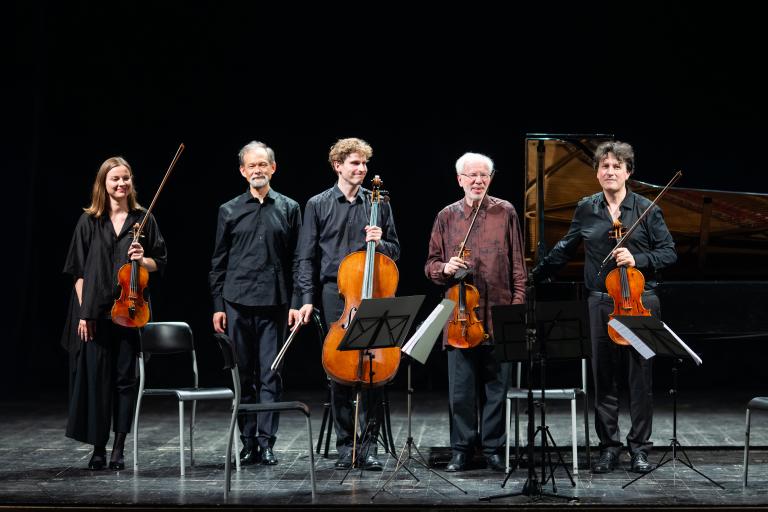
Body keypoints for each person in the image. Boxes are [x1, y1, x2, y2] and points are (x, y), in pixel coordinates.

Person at [533, 141, 676, 474]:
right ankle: (609, 448)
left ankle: (639, 448)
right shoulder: (587, 208)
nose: (610, 171)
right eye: (604, 166)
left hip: (640, 302)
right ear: (597, 172)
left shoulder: (647, 209)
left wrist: (638, 258)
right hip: (600, 302)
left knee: (640, 379)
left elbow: (669, 252)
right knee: (604, 377)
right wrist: (536, 275)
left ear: (628, 172)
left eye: (616, 166)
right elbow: (566, 247)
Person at [294, 137, 400, 470]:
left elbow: (395, 251)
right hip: (335, 293)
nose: (362, 169)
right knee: (340, 372)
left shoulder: (378, 203)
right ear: (338, 165)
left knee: (373, 371)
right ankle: (345, 446)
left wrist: (381, 242)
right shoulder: (318, 204)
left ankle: (368, 446)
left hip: (373, 291)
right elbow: (305, 257)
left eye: (364, 163)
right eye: (355, 163)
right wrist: (306, 299)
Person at [62, 156, 167, 470]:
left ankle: (119, 447)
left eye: (126, 178)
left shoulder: (144, 219)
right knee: (97, 381)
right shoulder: (89, 221)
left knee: (125, 380)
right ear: (103, 183)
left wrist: (142, 259)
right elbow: (79, 272)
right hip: (95, 313)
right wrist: (85, 313)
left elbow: (159, 263)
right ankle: (98, 448)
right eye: (115, 179)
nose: (121, 184)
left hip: (131, 311)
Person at [425, 152, 526, 472]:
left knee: (497, 389)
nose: (478, 181)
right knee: (461, 391)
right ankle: (461, 449)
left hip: (499, 312)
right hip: (460, 318)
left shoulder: (505, 211)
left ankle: (494, 448)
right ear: (460, 180)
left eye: (484, 175)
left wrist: (516, 308)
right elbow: (430, 265)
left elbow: (518, 264)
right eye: (472, 175)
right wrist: (445, 267)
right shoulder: (446, 216)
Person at [209, 141, 303, 466]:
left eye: (263, 164)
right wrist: (218, 305)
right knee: (243, 375)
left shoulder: (290, 208)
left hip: (275, 302)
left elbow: (298, 260)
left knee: (271, 374)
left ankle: (266, 443)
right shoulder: (228, 210)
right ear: (242, 171)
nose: (258, 170)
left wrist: (297, 301)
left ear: (273, 168)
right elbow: (218, 262)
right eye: (252, 165)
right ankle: (247, 441)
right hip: (236, 301)